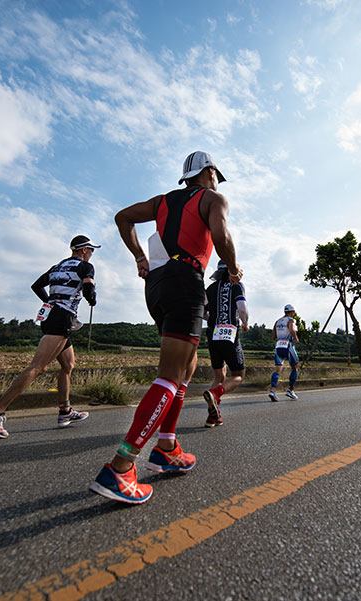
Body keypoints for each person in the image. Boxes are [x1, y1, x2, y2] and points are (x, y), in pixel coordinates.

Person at [90, 151, 242, 505]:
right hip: (186, 279)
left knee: (186, 367)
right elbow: (221, 234)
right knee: (171, 374)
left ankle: (166, 447)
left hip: (156, 285)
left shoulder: (161, 201)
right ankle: (120, 467)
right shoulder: (213, 198)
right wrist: (233, 269)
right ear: (207, 173)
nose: (217, 181)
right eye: (216, 174)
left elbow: (122, 217)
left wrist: (139, 258)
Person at [0, 235, 98, 438]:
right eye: (91, 250)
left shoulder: (58, 266)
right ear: (84, 250)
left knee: (68, 365)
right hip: (61, 318)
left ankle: (65, 411)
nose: (92, 254)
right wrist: (91, 296)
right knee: (38, 367)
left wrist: (51, 301)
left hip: (51, 314)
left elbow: (36, 285)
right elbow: (89, 294)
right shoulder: (85, 267)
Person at [203, 259, 249, 427]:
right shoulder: (237, 285)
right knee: (238, 375)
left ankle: (213, 417)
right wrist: (245, 323)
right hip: (230, 333)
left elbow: (202, 311)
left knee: (218, 376)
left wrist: (213, 319)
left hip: (212, 333)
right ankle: (216, 393)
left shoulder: (211, 288)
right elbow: (242, 308)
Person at [268, 305, 300, 402]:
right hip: (288, 346)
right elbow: (291, 329)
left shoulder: (277, 322)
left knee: (277, 370)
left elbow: (273, 336)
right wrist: (295, 338)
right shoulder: (291, 320)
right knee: (295, 367)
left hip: (278, 346)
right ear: (292, 312)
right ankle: (290, 390)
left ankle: (273, 391)